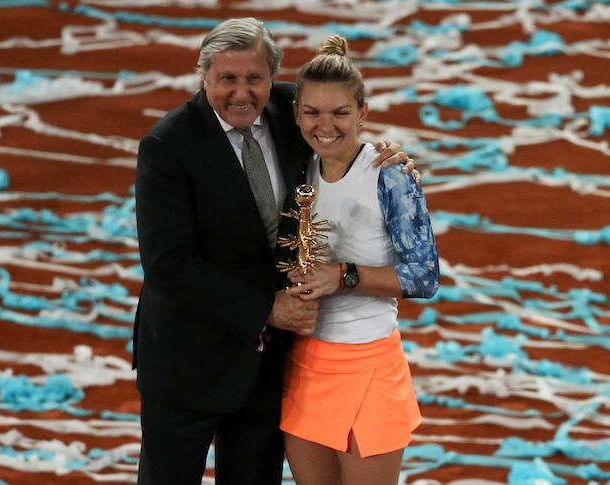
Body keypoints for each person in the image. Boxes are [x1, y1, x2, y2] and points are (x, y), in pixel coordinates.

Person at [132, 18, 416, 485]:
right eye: (227, 79)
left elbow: (338, 127)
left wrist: (389, 156)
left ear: (272, 78)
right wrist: (269, 309)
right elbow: (169, 267)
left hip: (264, 372)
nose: (241, 93)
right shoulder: (167, 146)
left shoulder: (292, 111)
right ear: (204, 77)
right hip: (188, 366)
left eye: (254, 79)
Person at [281, 34, 440, 485]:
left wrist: (343, 276)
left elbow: (424, 276)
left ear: (363, 114)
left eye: (340, 113)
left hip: (369, 368)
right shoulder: (301, 167)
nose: (324, 125)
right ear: (296, 115)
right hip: (306, 364)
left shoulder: (391, 176)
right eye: (311, 112)